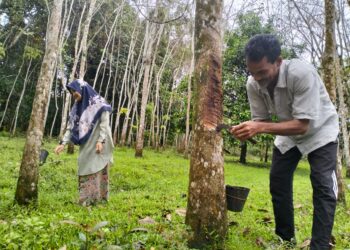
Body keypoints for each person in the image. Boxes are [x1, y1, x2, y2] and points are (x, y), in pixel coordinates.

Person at [230, 34, 339, 249]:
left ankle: (320, 245)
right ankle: (285, 239)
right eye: (253, 73)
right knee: (278, 180)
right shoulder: (253, 83)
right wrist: (248, 129)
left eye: (262, 72)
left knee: (323, 186)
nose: (257, 78)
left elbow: (302, 125)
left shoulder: (301, 73)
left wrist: (259, 127)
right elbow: (260, 121)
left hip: (320, 129)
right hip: (288, 132)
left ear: (278, 61)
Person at [54, 79, 114, 206]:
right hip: (86, 143)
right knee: (85, 165)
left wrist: (101, 140)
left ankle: (100, 199)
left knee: (99, 167)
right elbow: (71, 127)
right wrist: (62, 143)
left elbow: (105, 123)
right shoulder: (77, 107)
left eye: (74, 90)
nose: (73, 94)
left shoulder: (98, 102)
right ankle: (86, 199)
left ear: (82, 88)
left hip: (100, 140)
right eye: (71, 92)